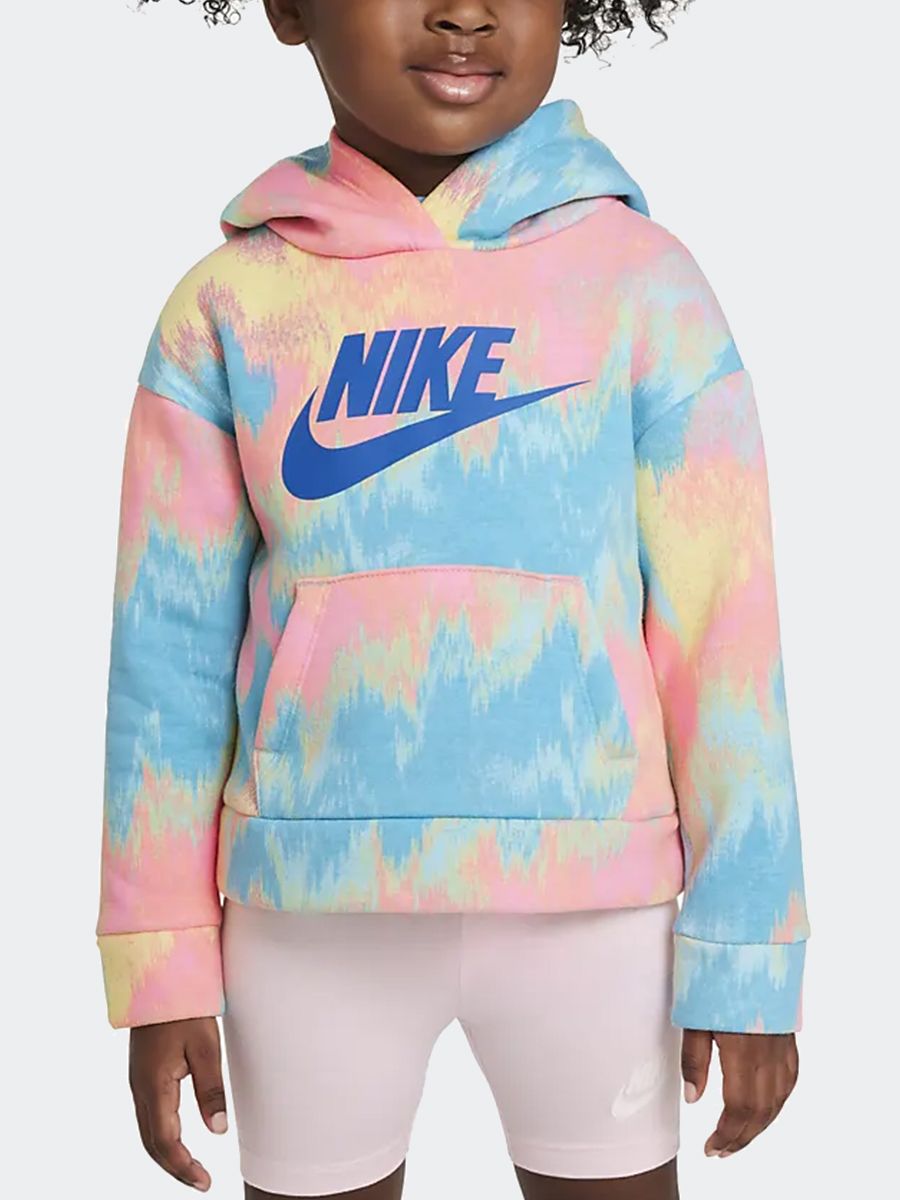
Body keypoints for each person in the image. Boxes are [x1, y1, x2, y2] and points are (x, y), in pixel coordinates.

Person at [96, 2, 811, 1197]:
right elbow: (165, 657)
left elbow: (726, 639)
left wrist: (748, 950)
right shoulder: (226, 307)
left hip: (597, 915)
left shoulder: (644, 286)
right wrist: (158, 958)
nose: (465, 9)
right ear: (288, 6)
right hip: (309, 916)